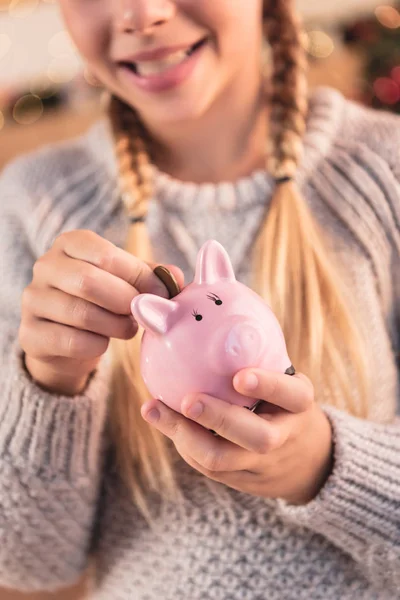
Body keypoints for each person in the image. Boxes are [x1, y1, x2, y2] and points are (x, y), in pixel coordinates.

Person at [0, 0, 399, 598]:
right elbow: (27, 564)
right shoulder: (34, 205)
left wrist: (322, 464)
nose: (142, 14)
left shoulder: (385, 171)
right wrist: (50, 381)